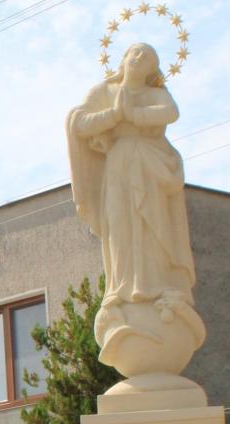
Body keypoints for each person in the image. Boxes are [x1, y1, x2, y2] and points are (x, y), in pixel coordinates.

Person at [67, 43, 195, 313]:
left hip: (150, 163)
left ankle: (157, 285)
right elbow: (79, 123)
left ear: (152, 69)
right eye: (134, 52)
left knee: (152, 221)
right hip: (118, 161)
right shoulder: (104, 92)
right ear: (124, 59)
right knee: (119, 223)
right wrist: (114, 114)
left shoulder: (155, 93)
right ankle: (121, 287)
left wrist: (134, 114)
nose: (138, 57)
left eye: (146, 56)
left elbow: (171, 112)